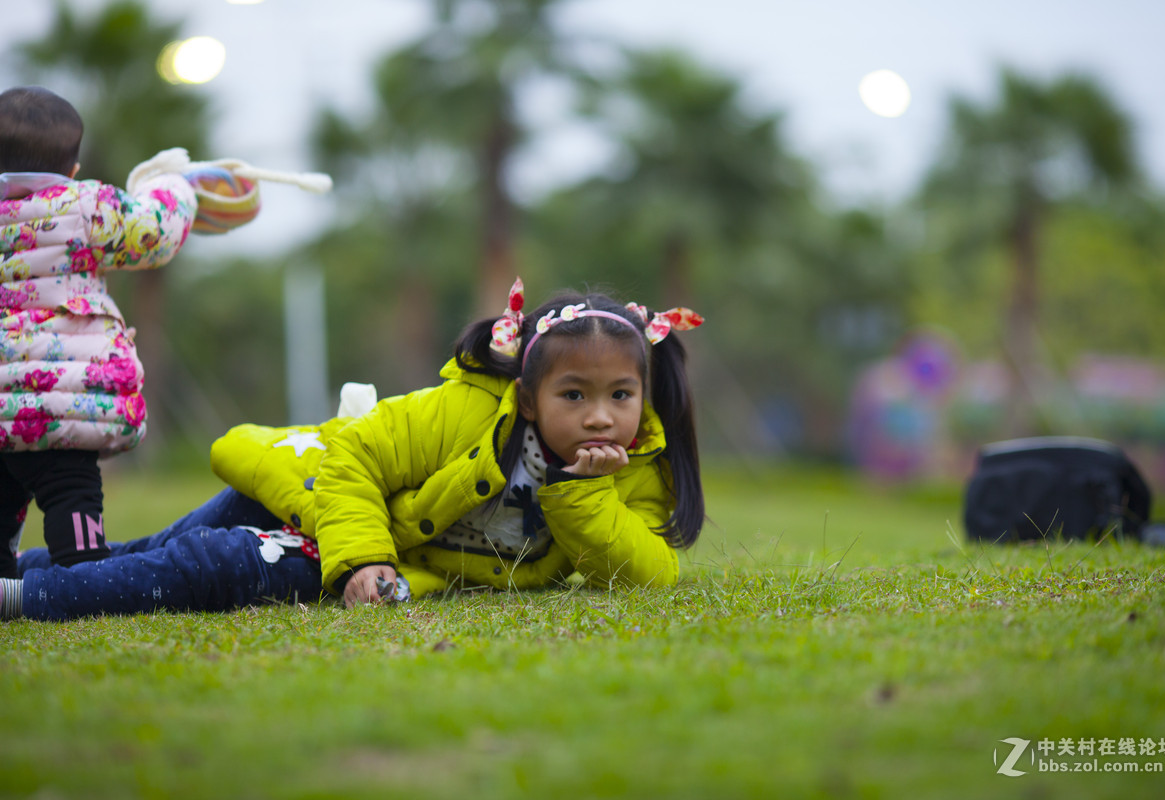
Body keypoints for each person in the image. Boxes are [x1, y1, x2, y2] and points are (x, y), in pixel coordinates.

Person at [0, 279, 705, 621]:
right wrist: (363, 560)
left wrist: (581, 490)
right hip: (317, 493)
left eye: (620, 396)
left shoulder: (638, 465)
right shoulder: (464, 409)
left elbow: (646, 574)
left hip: (346, 541)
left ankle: (22, 583)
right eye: (574, 396)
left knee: (209, 565)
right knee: (175, 551)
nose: (600, 418)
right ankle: (27, 587)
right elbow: (358, 458)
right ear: (526, 397)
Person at [0, 86, 197, 577]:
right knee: (72, 495)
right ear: (72, 170)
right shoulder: (87, 207)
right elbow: (157, 231)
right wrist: (173, 186)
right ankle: (84, 577)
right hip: (67, 405)